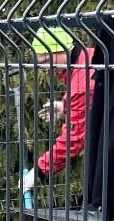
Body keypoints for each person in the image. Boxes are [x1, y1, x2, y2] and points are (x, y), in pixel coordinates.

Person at [21, 25, 93, 197]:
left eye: (46, 61)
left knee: (103, 204)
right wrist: (66, 108)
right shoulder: (87, 56)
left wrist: (39, 170)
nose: (45, 68)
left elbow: (73, 140)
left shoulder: (81, 84)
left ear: (62, 51)